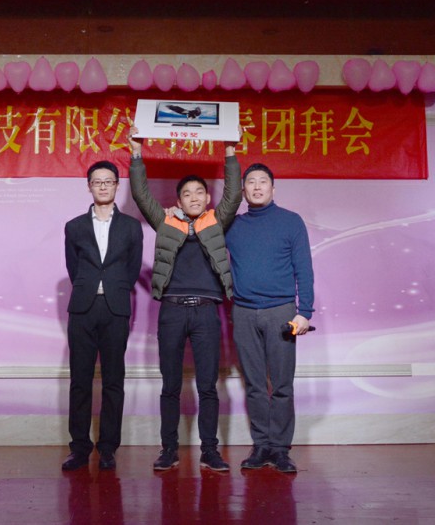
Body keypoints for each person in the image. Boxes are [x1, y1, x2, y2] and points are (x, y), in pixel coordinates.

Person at [128, 126, 241, 472]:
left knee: (208, 386)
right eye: (187, 194)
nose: (193, 197)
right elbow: (141, 194)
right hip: (172, 312)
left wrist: (230, 152)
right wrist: (136, 153)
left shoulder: (216, 221)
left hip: (207, 313)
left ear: (207, 199)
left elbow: (234, 194)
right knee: (171, 385)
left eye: (199, 192)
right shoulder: (165, 222)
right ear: (178, 201)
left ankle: (210, 450)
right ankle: (169, 450)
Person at [225, 163, 315, 474]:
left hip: (281, 312)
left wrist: (305, 312)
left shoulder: (291, 221)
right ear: (243, 191)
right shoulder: (233, 225)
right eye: (251, 182)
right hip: (243, 311)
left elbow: (304, 268)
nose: (257, 187)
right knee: (253, 384)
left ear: (273, 188)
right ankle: (261, 445)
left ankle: (280, 449)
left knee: (281, 384)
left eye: (263, 181)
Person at [62, 160, 144, 471]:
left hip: (115, 308)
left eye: (109, 181)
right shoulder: (74, 227)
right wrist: (90, 288)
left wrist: (114, 289)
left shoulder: (131, 227)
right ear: (89, 186)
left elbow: (132, 269)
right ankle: (79, 448)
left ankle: (108, 447)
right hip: (83, 309)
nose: (103, 186)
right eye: (97, 182)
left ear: (116, 186)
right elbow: (74, 268)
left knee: (113, 381)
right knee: (80, 381)